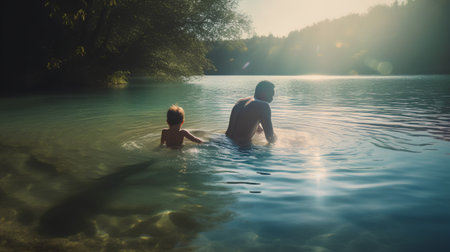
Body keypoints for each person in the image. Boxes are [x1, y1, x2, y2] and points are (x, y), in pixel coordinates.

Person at [225, 80, 276, 146]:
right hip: (241, 148)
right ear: (263, 93)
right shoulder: (263, 106)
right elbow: (270, 138)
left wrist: (260, 129)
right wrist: (285, 140)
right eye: (271, 95)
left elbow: (246, 121)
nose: (272, 99)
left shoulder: (241, 101)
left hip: (225, 140)